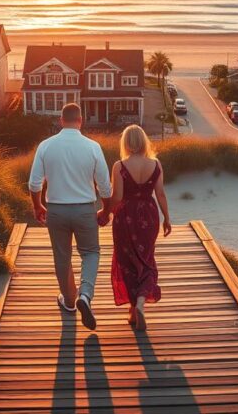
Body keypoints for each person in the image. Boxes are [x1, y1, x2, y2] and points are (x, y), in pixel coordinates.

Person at [28, 103, 112, 330]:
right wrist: (106, 210)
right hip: (85, 209)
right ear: (81, 121)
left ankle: (69, 301)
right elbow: (105, 186)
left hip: (56, 210)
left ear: (60, 121)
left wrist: (38, 206)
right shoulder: (93, 147)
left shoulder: (46, 146)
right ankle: (85, 294)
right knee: (91, 252)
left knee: (62, 256)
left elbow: (34, 183)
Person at [104, 125, 171, 331]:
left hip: (126, 217)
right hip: (149, 216)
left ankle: (134, 308)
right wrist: (166, 218)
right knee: (146, 260)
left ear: (125, 142)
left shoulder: (119, 166)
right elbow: (160, 194)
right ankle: (139, 305)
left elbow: (117, 197)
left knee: (127, 261)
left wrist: (106, 212)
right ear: (144, 142)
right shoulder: (156, 164)